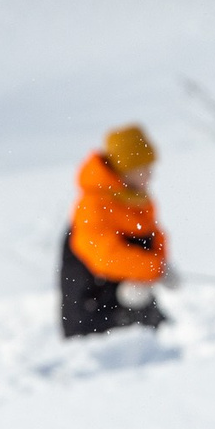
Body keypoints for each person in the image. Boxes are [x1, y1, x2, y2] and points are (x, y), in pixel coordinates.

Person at [60, 124, 175, 338]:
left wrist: (159, 265)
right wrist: (154, 268)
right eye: (145, 168)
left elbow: (152, 237)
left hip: (133, 304)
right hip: (92, 315)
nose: (151, 175)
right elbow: (104, 256)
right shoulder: (92, 205)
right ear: (127, 169)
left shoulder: (137, 201)